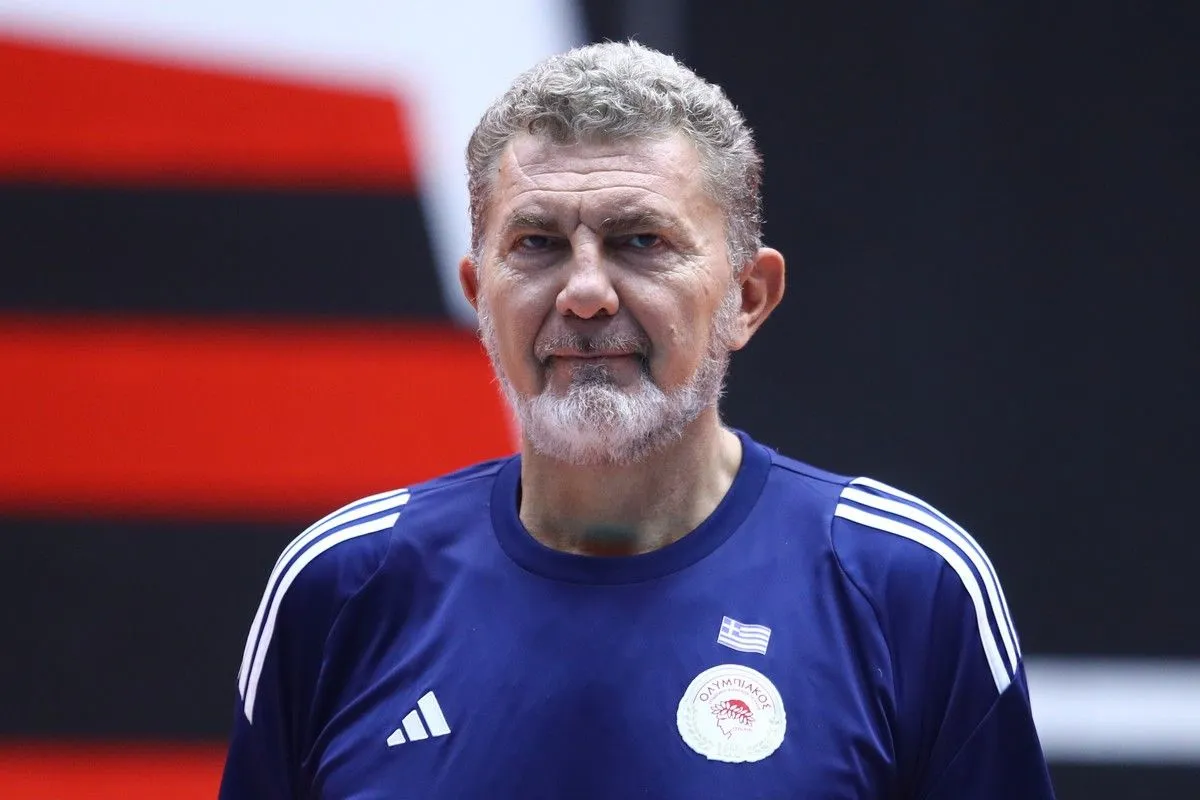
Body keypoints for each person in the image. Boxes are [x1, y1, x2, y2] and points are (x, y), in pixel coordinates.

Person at [219, 41, 1056, 798]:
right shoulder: (342, 587)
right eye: (537, 244)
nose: (584, 293)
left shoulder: (905, 587)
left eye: (641, 241)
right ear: (478, 295)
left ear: (747, 298)